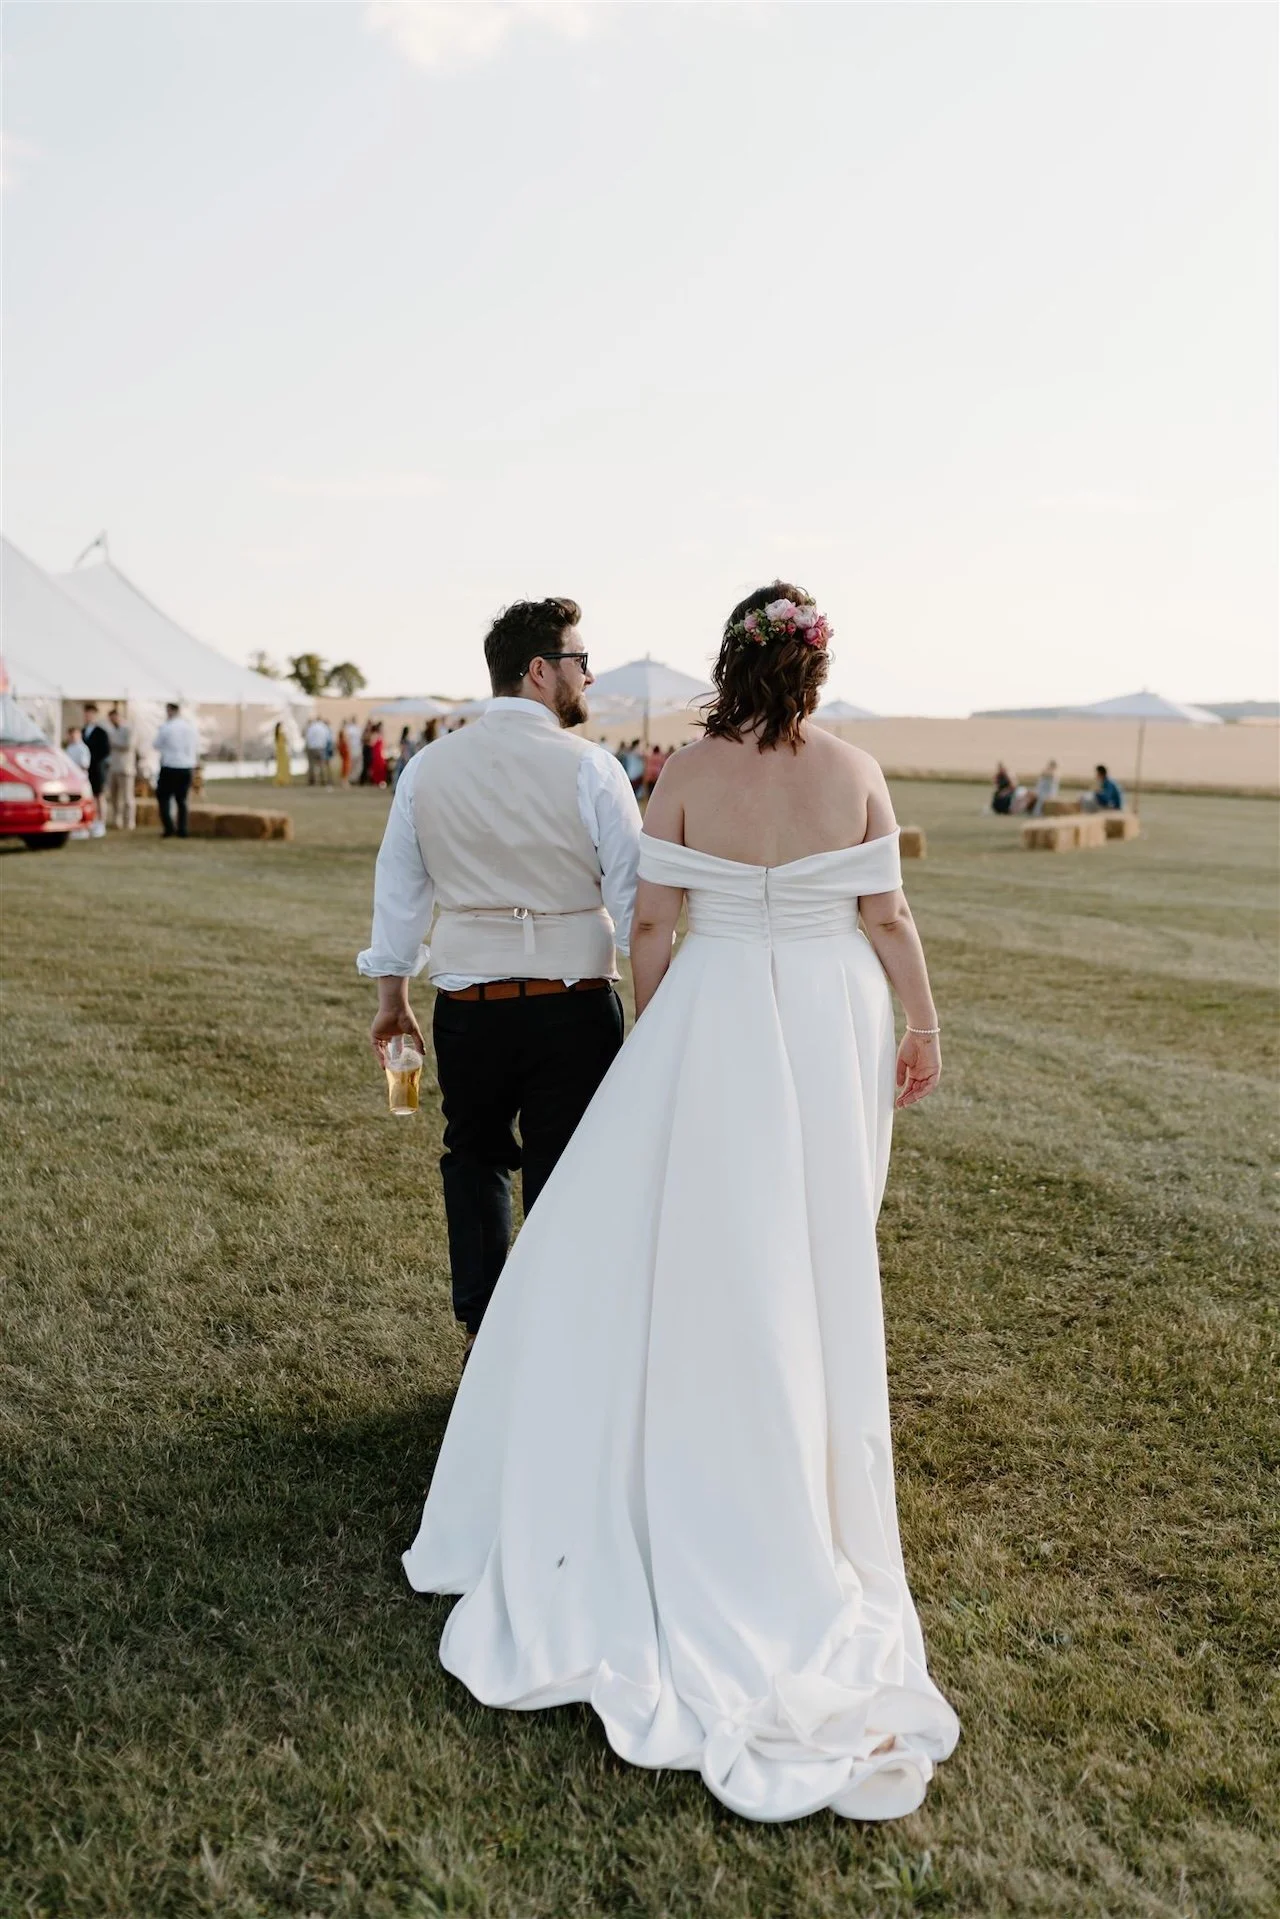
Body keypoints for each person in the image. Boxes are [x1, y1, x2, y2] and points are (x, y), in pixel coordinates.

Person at [400, 581, 959, 1825]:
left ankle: (695, 1401)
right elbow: (888, 914)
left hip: (715, 1002)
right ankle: (794, 1427)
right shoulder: (857, 766)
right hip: (825, 1014)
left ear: (730, 662)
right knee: (813, 1230)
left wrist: (662, 1023)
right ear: (812, 671)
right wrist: (920, 1021)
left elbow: (650, 921)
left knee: (702, 1231)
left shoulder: (686, 767)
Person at [359, 595, 642, 1351]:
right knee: (567, 1170)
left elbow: (399, 891)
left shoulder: (427, 768)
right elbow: (637, 899)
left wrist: (394, 999)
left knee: (475, 1155)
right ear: (542, 671)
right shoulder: (593, 769)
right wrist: (660, 998)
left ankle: (486, 1331)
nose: (589, 675)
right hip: (573, 1007)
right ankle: (555, 1337)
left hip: (469, 1007)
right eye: (581, 661)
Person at [153, 701, 200, 837]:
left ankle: (169, 827)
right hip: (186, 767)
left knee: (164, 797)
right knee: (182, 799)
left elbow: (156, 744)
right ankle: (182, 829)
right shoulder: (191, 727)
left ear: (170, 711)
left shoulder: (167, 727)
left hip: (170, 766)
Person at [104, 705, 136, 830]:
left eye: (113, 718)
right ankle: (117, 820)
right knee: (114, 796)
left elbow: (129, 745)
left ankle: (130, 821)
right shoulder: (112, 730)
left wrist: (113, 743)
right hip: (113, 767)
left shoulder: (129, 729)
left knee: (128, 797)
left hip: (126, 768)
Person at [81, 703, 111, 837]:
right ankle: (91, 819)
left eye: (90, 714)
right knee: (89, 795)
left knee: (99, 795)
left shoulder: (101, 732)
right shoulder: (82, 731)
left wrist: (93, 759)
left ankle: (101, 821)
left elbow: (105, 750)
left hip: (97, 768)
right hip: (85, 769)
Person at [304, 714, 332, 785]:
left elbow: (308, 737)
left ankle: (312, 781)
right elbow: (328, 738)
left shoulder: (312, 727)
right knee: (322, 764)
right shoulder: (324, 727)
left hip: (312, 747)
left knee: (311, 765)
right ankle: (323, 780)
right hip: (321, 747)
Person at [367, 721, 389, 787]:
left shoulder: (381, 735)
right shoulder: (375, 735)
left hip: (380, 753)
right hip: (376, 753)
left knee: (381, 767)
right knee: (377, 767)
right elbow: (371, 743)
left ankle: (381, 781)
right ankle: (376, 781)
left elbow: (384, 744)